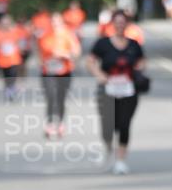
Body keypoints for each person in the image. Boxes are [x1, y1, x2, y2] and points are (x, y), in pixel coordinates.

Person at [86, 9, 146, 175]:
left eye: (123, 22)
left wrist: (138, 70)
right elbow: (90, 61)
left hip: (128, 90)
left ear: (127, 24)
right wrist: (99, 75)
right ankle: (108, 149)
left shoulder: (134, 45)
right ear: (112, 24)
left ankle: (120, 160)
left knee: (124, 124)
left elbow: (142, 61)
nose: (120, 25)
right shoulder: (103, 44)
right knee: (108, 126)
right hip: (107, 90)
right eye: (117, 22)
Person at [38, 12, 81, 138]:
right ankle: (50, 124)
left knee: (61, 98)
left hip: (64, 70)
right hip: (48, 71)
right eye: (53, 22)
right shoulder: (44, 35)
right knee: (50, 97)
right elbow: (38, 49)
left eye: (57, 22)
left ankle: (60, 123)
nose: (55, 24)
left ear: (62, 22)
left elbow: (76, 52)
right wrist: (42, 60)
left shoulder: (68, 34)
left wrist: (65, 54)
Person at [0, 14, 23, 101]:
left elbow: (19, 42)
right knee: (5, 76)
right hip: (2, 60)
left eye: (7, 23)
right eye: (4, 23)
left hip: (13, 59)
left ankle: (12, 89)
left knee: (13, 75)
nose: (5, 25)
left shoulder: (14, 31)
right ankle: (8, 89)